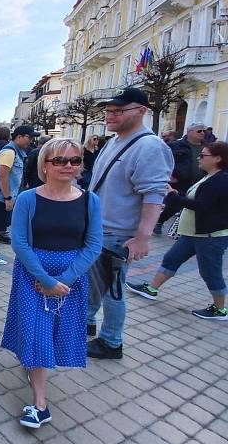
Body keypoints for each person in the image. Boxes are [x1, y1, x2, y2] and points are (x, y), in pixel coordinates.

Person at [2, 138, 102, 428]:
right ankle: (40, 404)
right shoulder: (28, 199)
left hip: (70, 280)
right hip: (32, 275)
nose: (67, 166)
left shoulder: (89, 200)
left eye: (74, 160)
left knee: (53, 333)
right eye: (59, 160)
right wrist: (44, 279)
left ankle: (34, 368)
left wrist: (63, 280)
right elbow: (20, 242)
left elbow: (93, 245)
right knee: (36, 333)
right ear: (44, 164)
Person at [86, 88, 173, 359]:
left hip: (118, 235)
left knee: (113, 290)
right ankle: (86, 321)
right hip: (100, 229)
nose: (110, 115)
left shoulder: (149, 146)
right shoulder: (114, 141)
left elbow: (154, 194)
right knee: (94, 283)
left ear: (141, 111)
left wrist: (142, 238)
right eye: (109, 111)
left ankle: (111, 342)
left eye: (118, 111)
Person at [128, 141, 228, 320]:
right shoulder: (209, 177)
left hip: (209, 236)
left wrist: (173, 195)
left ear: (218, 158)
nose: (199, 158)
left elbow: (202, 207)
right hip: (191, 233)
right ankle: (152, 288)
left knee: (210, 271)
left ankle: (220, 309)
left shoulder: (221, 180)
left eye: (203, 155)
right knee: (171, 259)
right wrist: (175, 195)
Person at [0, 125, 39, 273]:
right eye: (29, 137)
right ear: (19, 136)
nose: (31, 141)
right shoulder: (9, 152)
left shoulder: (15, 152)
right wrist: (8, 197)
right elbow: (3, 176)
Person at [156, 122, 207, 234]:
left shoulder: (207, 147)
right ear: (189, 132)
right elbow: (162, 160)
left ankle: (192, 228)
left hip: (201, 181)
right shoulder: (176, 146)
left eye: (204, 131)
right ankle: (159, 221)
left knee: (191, 204)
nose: (203, 133)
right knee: (175, 204)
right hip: (181, 180)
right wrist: (168, 174)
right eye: (199, 131)